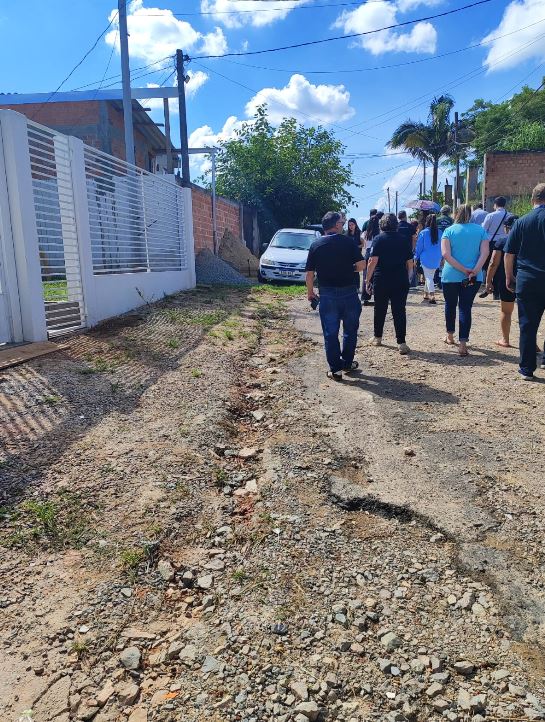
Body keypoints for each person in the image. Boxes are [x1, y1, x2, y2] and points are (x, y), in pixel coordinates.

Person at [306, 211, 365, 380]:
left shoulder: (316, 245)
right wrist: (348, 269)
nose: (343, 225)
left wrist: (310, 292)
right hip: (349, 293)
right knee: (350, 331)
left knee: (330, 333)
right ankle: (347, 363)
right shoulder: (348, 242)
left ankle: (335, 370)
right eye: (342, 222)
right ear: (336, 225)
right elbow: (362, 265)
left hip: (327, 295)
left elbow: (309, 274)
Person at [504, 183, 545, 380]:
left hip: (528, 279)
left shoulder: (521, 222)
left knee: (527, 324)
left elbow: (509, 253)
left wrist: (509, 276)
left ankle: (527, 368)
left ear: (532, 200)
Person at [440, 204, 489, 356]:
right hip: (473, 276)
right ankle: (463, 344)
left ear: (456, 214)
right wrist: (475, 270)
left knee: (450, 305)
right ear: (471, 215)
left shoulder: (449, 231)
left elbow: (446, 255)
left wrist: (462, 269)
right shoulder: (480, 230)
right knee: (465, 307)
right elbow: (485, 253)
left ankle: (450, 336)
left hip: (451, 275)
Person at [366, 213, 414, 354]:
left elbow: (372, 261)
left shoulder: (378, 239)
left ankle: (377, 337)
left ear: (382, 225)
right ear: (396, 224)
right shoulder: (404, 239)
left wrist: (367, 280)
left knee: (380, 308)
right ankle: (401, 342)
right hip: (400, 278)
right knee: (399, 310)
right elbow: (410, 263)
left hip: (381, 279)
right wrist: (409, 278)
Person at [485, 215, 519, 348]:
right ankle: (532, 342)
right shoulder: (527, 240)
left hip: (506, 279)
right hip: (525, 278)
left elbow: (493, 263)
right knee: (528, 312)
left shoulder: (502, 241)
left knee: (506, 311)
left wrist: (488, 281)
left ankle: (505, 339)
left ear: (506, 228)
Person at [483, 196, 511, 299]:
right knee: (502, 267)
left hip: (492, 243)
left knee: (491, 265)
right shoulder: (510, 215)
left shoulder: (490, 216)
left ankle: (489, 286)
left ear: (495, 205)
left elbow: (483, 230)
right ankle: (499, 291)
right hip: (506, 243)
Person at [415, 214, 443, 304]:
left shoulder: (423, 232)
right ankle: (426, 293)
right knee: (430, 276)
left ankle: (432, 295)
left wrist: (416, 257)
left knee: (429, 277)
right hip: (437, 258)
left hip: (426, 258)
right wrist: (442, 258)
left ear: (426, 222)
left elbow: (419, 247)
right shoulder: (440, 232)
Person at [361, 212, 381, 305]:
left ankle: (365, 297)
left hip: (368, 253)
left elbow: (364, 245)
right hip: (377, 254)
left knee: (366, 275)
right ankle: (378, 296)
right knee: (376, 276)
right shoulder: (380, 233)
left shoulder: (365, 233)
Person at [346, 217, 363, 290]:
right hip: (349, 255)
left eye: (352, 224)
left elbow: (363, 244)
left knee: (356, 271)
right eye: (349, 225)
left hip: (357, 255)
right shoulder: (347, 234)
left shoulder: (359, 233)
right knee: (350, 270)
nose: (351, 226)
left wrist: (356, 247)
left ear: (355, 224)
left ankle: (357, 287)